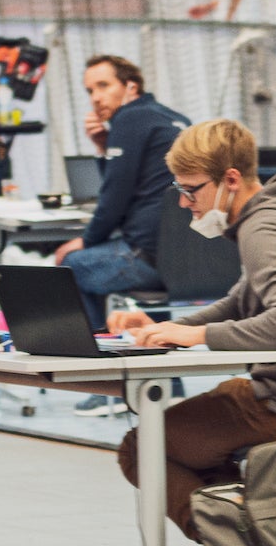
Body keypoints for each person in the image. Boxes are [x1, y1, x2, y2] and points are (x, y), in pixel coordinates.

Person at [104, 119, 276, 532]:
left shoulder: (264, 228)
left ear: (230, 179)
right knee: (200, 437)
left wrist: (197, 336)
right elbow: (242, 301)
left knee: (141, 449)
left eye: (190, 189)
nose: (183, 203)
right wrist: (168, 327)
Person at [50, 54, 190, 415]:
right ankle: (168, 384)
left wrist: (85, 240)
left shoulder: (131, 118)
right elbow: (132, 179)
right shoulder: (172, 118)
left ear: (131, 87)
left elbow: (114, 196)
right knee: (126, 283)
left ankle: (107, 385)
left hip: (146, 258)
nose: (96, 97)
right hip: (186, 263)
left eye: (103, 86)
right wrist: (103, 147)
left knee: (70, 266)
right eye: (89, 90)